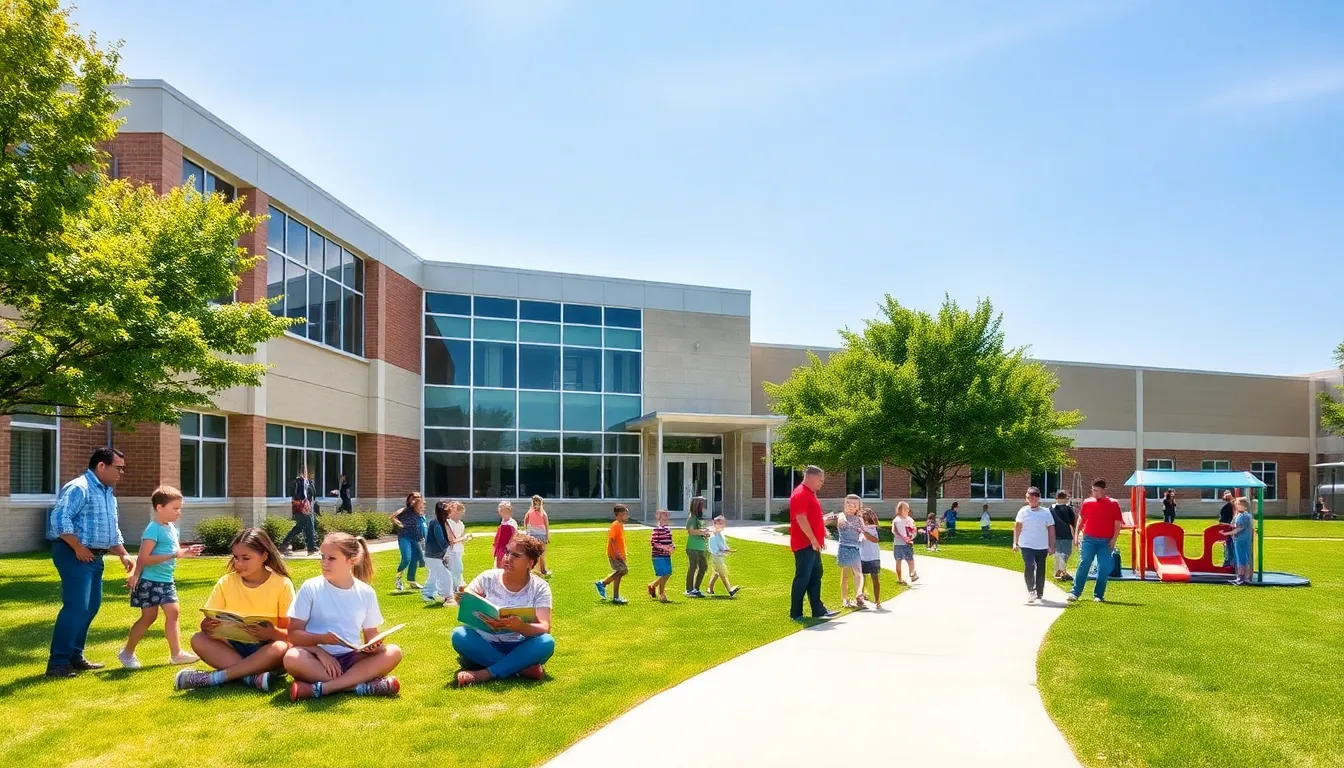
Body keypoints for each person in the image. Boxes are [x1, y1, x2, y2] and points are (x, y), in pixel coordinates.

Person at [45, 447, 133, 678]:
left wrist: (123, 553)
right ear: (101, 466)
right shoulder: (79, 487)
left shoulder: (107, 493)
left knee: (91, 607)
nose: (121, 473)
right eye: (118, 468)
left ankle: (75, 656)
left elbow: (110, 530)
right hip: (72, 554)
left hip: (95, 556)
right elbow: (58, 519)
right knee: (76, 607)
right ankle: (57, 664)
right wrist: (77, 547)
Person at [284, 532, 403, 700]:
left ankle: (323, 689)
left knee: (393, 652)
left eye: (331, 558)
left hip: (352, 657)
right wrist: (322, 646)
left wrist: (374, 645)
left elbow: (371, 634)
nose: (324, 563)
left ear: (351, 560)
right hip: (315, 658)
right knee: (291, 658)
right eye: (322, 557)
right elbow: (293, 634)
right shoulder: (311, 587)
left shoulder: (365, 592)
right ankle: (360, 686)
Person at [176, 528, 294, 692]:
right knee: (198, 639)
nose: (238, 563)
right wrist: (206, 626)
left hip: (266, 650)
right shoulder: (226, 581)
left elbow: (291, 634)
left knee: (281, 647)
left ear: (264, 556)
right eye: (236, 557)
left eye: (246, 558)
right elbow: (208, 622)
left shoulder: (282, 584)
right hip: (233, 646)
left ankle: (213, 678)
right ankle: (252, 677)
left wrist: (271, 633)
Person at [451, 533, 555, 687]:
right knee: (459, 634)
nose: (507, 558)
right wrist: (464, 600)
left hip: (520, 646)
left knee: (546, 642)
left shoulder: (540, 587)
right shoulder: (487, 577)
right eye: (507, 552)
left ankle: (485, 673)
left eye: (516, 555)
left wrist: (521, 627)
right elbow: (468, 599)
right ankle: (520, 668)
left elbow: (544, 628)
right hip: (486, 643)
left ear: (530, 562)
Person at [119, 486, 203, 668]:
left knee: (173, 612)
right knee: (149, 617)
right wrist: (135, 574)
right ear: (159, 507)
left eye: (180, 508)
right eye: (175, 508)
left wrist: (185, 552)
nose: (178, 512)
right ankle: (127, 653)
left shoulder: (171, 528)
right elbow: (144, 558)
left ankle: (177, 654)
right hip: (150, 581)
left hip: (166, 580)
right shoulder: (153, 529)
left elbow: (172, 551)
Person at [789, 466, 839, 622]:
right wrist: (812, 539)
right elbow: (801, 518)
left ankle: (818, 610)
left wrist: (822, 528)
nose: (821, 483)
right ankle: (796, 613)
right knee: (803, 577)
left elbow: (811, 517)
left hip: (812, 544)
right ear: (811, 476)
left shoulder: (810, 494)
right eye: (820, 480)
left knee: (815, 575)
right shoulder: (801, 493)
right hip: (804, 544)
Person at [1068, 479, 1124, 603]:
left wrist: (1114, 539)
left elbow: (1117, 523)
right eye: (1093, 490)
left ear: (1104, 490)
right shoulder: (1087, 503)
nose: (1095, 493)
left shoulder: (1113, 504)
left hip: (1106, 542)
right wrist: (1076, 535)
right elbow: (1081, 519)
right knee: (1084, 563)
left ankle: (1098, 594)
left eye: (1098, 491)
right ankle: (1075, 592)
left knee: (1103, 567)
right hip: (1088, 539)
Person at [1013, 487, 1057, 605]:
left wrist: (1051, 545)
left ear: (1038, 498)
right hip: (1026, 544)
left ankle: (1039, 591)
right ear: (1027, 499)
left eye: (1034, 497)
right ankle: (1031, 591)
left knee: (1040, 569)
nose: (1031, 499)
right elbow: (1017, 527)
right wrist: (1015, 542)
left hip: (1041, 546)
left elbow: (1051, 529)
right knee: (1029, 565)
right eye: (1029, 497)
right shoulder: (1023, 511)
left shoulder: (1046, 512)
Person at [390, 492, 426, 592]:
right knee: (406, 558)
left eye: (417, 498)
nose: (415, 500)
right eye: (413, 498)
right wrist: (399, 523)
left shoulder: (419, 512)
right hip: (404, 537)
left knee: (415, 560)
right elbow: (393, 517)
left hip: (416, 538)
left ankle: (412, 581)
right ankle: (398, 580)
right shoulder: (405, 510)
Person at [595, 504, 629, 604]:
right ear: (619, 515)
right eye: (625, 514)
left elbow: (620, 541)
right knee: (623, 570)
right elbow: (612, 540)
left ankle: (616, 597)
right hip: (614, 554)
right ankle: (603, 583)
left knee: (619, 574)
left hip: (619, 554)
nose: (627, 516)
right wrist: (617, 553)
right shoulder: (616, 525)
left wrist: (624, 552)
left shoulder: (620, 525)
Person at [836, 494, 865, 608]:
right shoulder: (842, 515)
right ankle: (845, 598)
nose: (850, 506)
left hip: (855, 548)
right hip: (844, 547)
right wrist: (851, 524)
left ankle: (859, 595)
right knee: (845, 575)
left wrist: (862, 532)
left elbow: (863, 531)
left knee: (858, 573)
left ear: (858, 507)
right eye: (848, 503)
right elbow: (841, 523)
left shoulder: (859, 519)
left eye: (854, 504)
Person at [281, 466, 317, 556]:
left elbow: (312, 494)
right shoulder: (300, 482)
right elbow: (297, 495)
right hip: (302, 508)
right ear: (303, 473)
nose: (311, 474)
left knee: (299, 527)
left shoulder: (308, 482)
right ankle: (311, 547)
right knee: (309, 527)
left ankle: (284, 544)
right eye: (309, 472)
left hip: (307, 508)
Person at [421, 501, 453, 603]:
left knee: (434, 575)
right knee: (444, 575)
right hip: (433, 556)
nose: (451, 511)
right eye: (449, 509)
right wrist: (452, 542)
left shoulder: (441, 522)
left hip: (434, 556)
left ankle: (430, 594)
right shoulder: (436, 523)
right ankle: (446, 595)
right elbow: (441, 542)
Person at [706, 516, 741, 597]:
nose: (723, 526)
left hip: (720, 557)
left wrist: (728, 550)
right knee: (723, 573)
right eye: (720, 524)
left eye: (723, 523)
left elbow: (723, 545)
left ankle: (710, 589)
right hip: (716, 558)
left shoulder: (720, 534)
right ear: (715, 524)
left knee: (716, 573)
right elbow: (714, 550)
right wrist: (725, 551)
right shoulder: (713, 537)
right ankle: (730, 590)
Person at [684, 496, 711, 597]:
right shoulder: (692, 518)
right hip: (693, 547)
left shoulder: (700, 517)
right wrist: (702, 532)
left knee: (703, 567)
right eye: (702, 504)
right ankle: (689, 589)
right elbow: (691, 531)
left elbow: (699, 530)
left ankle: (696, 588)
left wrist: (705, 533)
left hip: (701, 547)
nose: (703, 506)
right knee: (693, 567)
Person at [647, 508, 675, 602]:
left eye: (667, 516)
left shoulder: (667, 530)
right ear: (658, 518)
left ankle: (653, 585)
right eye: (664, 516)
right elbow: (654, 543)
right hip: (658, 556)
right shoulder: (657, 530)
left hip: (666, 555)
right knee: (665, 573)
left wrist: (672, 547)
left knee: (668, 573)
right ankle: (662, 594)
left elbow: (670, 541)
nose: (666, 518)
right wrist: (665, 548)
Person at [444, 501, 469, 601]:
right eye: (460, 513)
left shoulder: (461, 524)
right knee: (456, 570)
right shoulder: (448, 523)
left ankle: (457, 588)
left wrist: (464, 538)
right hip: (450, 551)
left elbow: (461, 536)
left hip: (458, 550)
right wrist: (464, 538)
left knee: (458, 570)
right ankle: (454, 589)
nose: (461, 516)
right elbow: (451, 541)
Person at [858, 508, 882, 609]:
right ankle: (861, 597)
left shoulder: (873, 528)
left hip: (873, 557)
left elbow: (875, 540)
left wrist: (864, 532)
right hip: (862, 556)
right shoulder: (859, 529)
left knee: (875, 578)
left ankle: (877, 601)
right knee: (861, 578)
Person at [891, 501, 920, 585]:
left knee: (908, 559)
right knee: (901, 560)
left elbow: (914, 529)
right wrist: (904, 536)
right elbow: (894, 530)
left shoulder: (908, 519)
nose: (908, 509)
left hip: (905, 543)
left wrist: (911, 536)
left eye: (908, 508)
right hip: (900, 543)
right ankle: (902, 578)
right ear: (900, 509)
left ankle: (911, 574)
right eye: (906, 508)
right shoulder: (897, 520)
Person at [1228, 497, 1255, 585]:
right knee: (1240, 559)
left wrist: (1227, 533)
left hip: (1243, 540)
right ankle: (1240, 577)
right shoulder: (1239, 515)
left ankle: (1244, 578)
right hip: (1238, 540)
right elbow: (1232, 523)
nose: (1237, 506)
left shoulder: (1245, 516)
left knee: (1243, 559)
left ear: (1245, 506)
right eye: (1236, 505)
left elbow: (1239, 528)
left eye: (1239, 505)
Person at [1051, 491, 1076, 582]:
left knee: (1059, 554)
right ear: (1065, 498)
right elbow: (1071, 525)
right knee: (1066, 553)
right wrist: (1074, 537)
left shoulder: (1050, 509)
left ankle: (1060, 571)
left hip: (1054, 535)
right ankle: (1060, 571)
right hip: (1066, 535)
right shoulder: (1068, 510)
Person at [524, 495, 552, 577]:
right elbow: (525, 520)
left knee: (542, 554)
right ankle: (530, 570)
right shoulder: (530, 512)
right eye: (534, 504)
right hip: (533, 535)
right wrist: (527, 530)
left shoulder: (543, 513)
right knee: (532, 554)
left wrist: (547, 536)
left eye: (538, 504)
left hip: (542, 535)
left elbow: (546, 526)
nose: (536, 506)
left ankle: (543, 570)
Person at [493, 499, 519, 569]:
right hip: (502, 549)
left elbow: (513, 536)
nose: (500, 512)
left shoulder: (509, 524)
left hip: (505, 549)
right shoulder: (504, 521)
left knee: (502, 568)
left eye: (501, 510)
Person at [1218, 491, 1236, 567]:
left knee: (1232, 550)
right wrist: (1231, 525)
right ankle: (1228, 566)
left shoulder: (1237, 507)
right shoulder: (1225, 509)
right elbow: (1221, 523)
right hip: (1229, 533)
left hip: (1236, 534)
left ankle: (1230, 565)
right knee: (1229, 550)